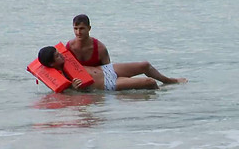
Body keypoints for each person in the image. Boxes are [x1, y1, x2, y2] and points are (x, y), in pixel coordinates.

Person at [38, 46, 187, 91]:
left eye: (59, 54)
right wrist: (75, 89)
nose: (62, 56)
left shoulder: (68, 59)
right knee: (149, 82)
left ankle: (169, 81)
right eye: (58, 57)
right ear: (51, 64)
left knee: (145, 65)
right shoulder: (61, 80)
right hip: (107, 84)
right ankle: (163, 97)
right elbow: (69, 98)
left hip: (107, 70)